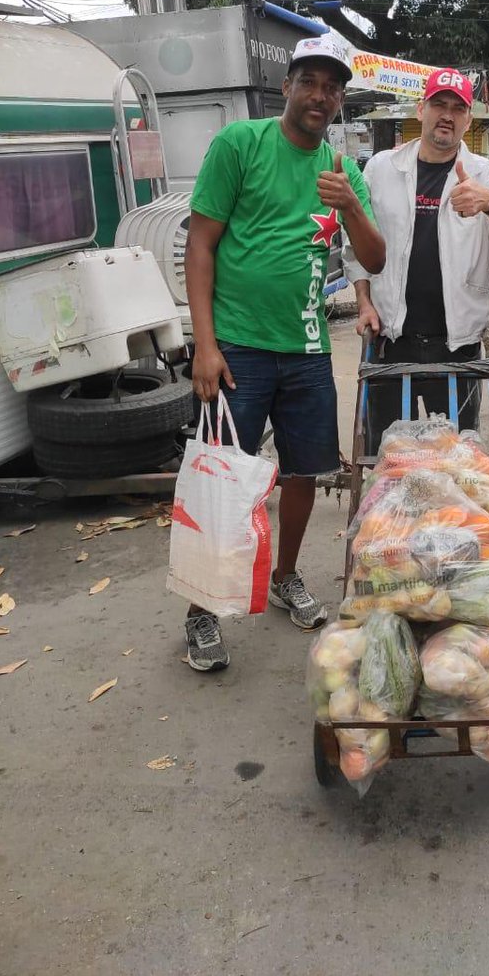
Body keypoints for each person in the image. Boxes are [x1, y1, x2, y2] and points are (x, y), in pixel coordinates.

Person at [182, 34, 386, 671]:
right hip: (236, 349)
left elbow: (375, 257)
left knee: (303, 473)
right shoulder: (240, 145)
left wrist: (350, 205)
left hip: (307, 349)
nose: (321, 96)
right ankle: (203, 607)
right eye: (311, 82)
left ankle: (285, 576)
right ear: (287, 86)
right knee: (223, 480)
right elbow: (200, 245)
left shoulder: (341, 170)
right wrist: (205, 345)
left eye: (333, 88)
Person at [344, 68, 489, 451]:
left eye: (457, 109)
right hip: (390, 341)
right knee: (387, 459)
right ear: (420, 110)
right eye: (439, 104)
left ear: (468, 120)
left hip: (457, 345)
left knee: (456, 460)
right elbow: (355, 239)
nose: (447, 115)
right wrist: (363, 301)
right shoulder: (382, 168)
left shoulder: (484, 174)